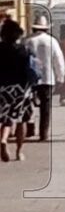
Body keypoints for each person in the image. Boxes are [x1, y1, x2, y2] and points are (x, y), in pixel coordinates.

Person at [0, 18, 35, 161]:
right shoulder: (24, 50)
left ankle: (3, 139)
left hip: (2, 88)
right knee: (22, 120)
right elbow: (31, 71)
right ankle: (19, 151)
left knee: (5, 118)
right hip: (21, 89)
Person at [26, 19, 65, 142]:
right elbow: (58, 60)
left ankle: (30, 128)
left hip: (31, 78)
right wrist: (60, 77)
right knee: (45, 107)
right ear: (46, 28)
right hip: (47, 77)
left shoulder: (28, 41)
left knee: (28, 104)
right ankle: (44, 133)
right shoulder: (52, 41)